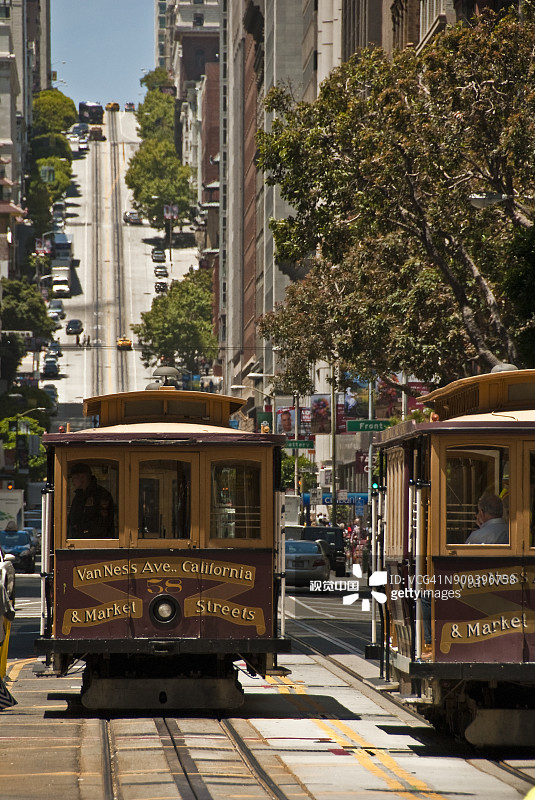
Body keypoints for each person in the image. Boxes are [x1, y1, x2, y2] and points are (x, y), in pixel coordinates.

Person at [67, 462, 115, 538]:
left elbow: (102, 523)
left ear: (82, 477)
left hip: (96, 541)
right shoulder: (78, 496)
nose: (72, 481)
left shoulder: (101, 495)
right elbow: (72, 519)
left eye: (74, 478)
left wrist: (80, 529)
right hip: (77, 540)